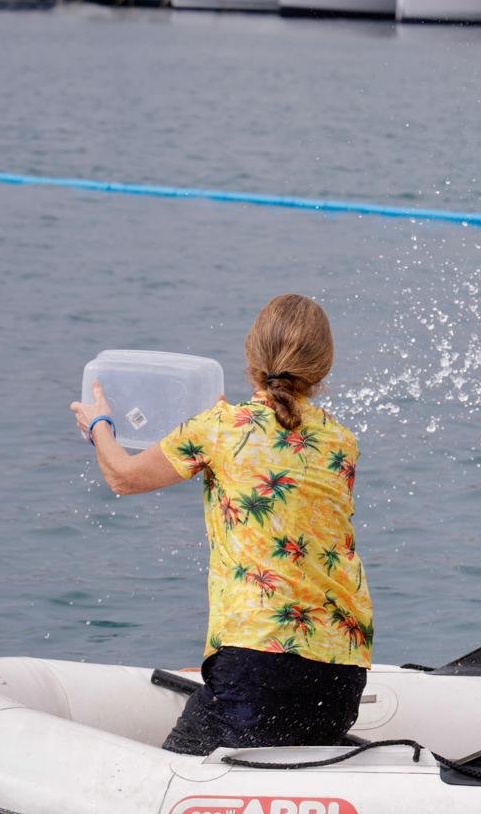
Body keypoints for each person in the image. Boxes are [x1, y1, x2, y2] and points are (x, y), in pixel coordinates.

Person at [68, 295, 373, 754]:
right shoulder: (342, 442)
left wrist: (100, 427)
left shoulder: (219, 428)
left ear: (252, 359)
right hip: (340, 675)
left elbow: (123, 477)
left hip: (257, 666)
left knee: (163, 783)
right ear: (323, 368)